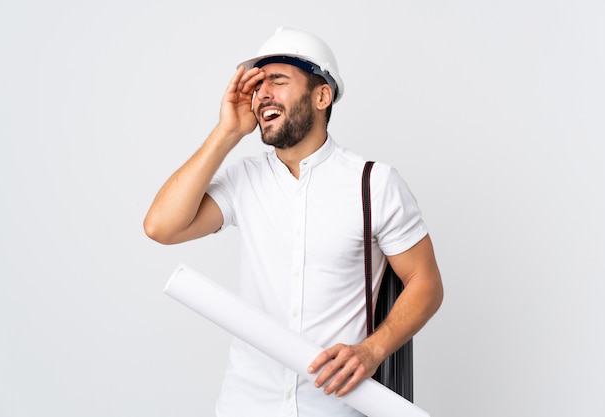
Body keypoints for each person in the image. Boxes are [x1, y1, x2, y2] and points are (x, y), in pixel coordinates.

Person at [144, 26, 443, 417]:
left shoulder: (374, 183)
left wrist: (373, 350)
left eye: (278, 80)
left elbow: (426, 283)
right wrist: (227, 131)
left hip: (336, 407)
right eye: (259, 84)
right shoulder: (243, 179)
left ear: (322, 96)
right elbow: (161, 228)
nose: (262, 93)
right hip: (245, 405)